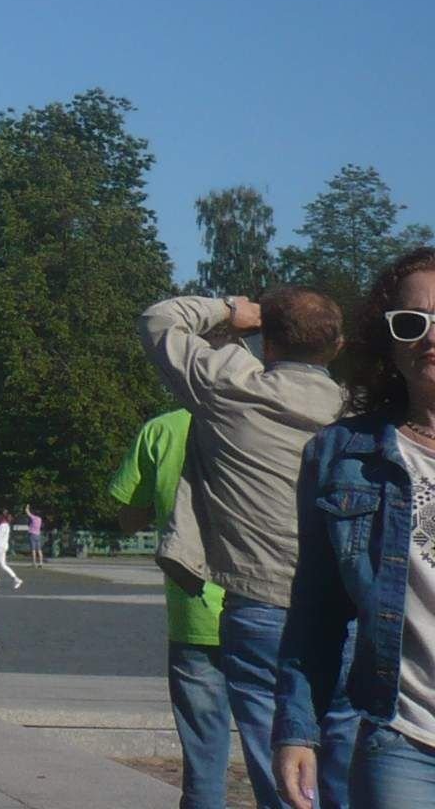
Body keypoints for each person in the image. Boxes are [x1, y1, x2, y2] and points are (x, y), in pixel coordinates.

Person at [142, 287, 356, 808]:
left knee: (278, 772)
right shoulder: (356, 414)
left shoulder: (228, 387)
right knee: (347, 767)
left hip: (260, 603)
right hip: (348, 611)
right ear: (339, 345)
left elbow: (159, 319)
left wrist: (228, 312)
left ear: (269, 342)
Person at [276, 248, 435, 809]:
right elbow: (315, 611)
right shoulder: (341, 454)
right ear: (389, 341)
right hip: (404, 739)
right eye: (413, 322)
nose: (431, 338)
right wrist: (298, 729)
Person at [109, 408, 228, 809]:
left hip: (192, 610)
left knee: (203, 753)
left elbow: (128, 517)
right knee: (277, 745)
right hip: (268, 607)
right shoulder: (265, 414)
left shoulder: (162, 429)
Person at [0, 508, 25, 591]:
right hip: (4, 546)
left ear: (1, 516)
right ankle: (16, 579)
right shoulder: (7, 525)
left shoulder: (2, 525)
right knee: (3, 565)